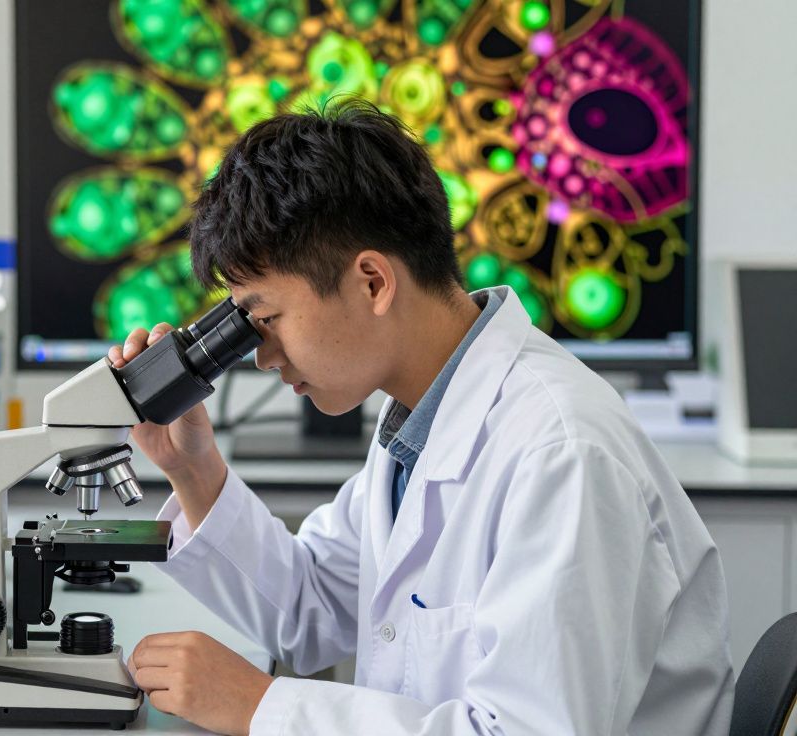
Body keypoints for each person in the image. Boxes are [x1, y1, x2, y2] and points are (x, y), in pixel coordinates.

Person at [107, 99, 734, 735]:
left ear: (373, 283)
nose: (263, 357)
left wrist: (260, 705)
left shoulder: (563, 454)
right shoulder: (421, 419)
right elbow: (312, 605)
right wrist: (192, 468)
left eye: (266, 318)